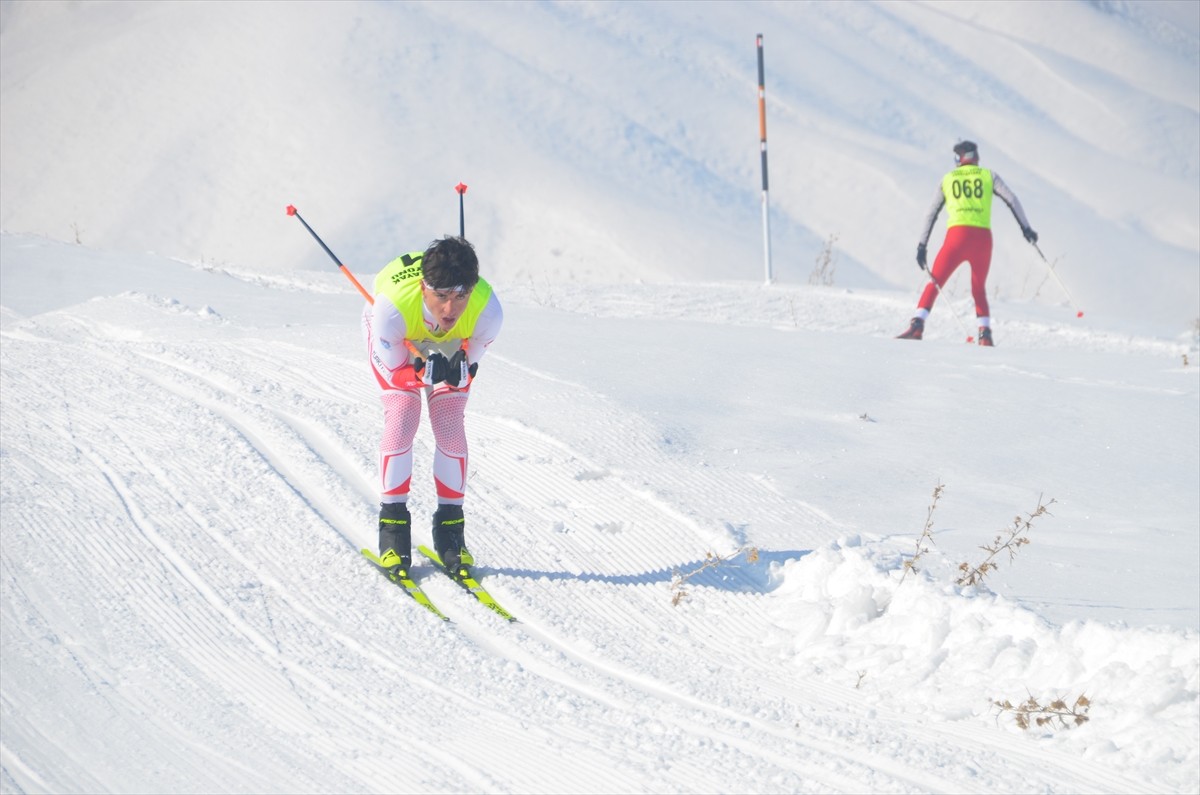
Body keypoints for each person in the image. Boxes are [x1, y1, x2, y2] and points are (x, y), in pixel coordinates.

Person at [362, 235, 502, 577]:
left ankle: (450, 531)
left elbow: (466, 369)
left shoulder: (488, 312)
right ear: (424, 288)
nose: (450, 310)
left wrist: (457, 373)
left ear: (472, 290)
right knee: (403, 414)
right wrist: (420, 373)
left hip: (453, 342)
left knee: (450, 422)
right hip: (402, 334)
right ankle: (393, 527)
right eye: (441, 296)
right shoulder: (390, 310)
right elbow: (395, 373)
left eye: (460, 297)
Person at [897, 140, 1038, 346]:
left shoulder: (948, 179)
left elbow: (931, 213)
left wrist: (922, 245)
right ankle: (985, 335)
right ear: (976, 157)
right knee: (978, 288)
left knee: (935, 281)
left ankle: (917, 325)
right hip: (982, 239)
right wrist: (1026, 228)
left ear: (959, 158)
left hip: (957, 237)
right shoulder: (989, 175)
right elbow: (1012, 200)